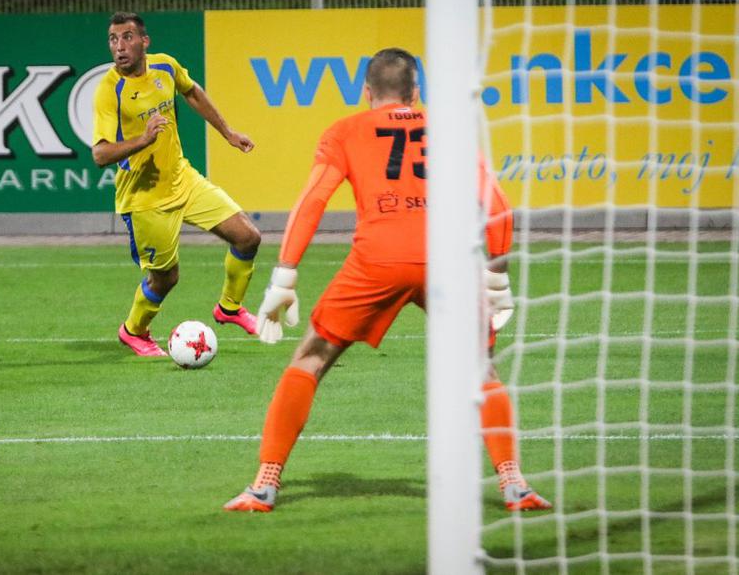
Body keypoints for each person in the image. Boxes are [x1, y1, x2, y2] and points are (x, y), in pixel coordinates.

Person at [223, 47, 551, 513]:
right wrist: (496, 278)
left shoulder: (344, 131)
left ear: (366, 92)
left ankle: (264, 484)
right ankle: (514, 483)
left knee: (311, 357)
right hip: (447, 261)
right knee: (482, 368)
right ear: (416, 92)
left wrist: (284, 276)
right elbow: (497, 205)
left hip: (377, 260)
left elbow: (312, 200)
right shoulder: (451, 127)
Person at [92, 12, 262, 356]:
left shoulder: (165, 67)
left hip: (182, 179)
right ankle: (133, 331)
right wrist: (143, 140)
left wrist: (228, 133)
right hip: (144, 198)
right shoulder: (110, 91)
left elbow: (192, 91)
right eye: (113, 39)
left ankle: (229, 308)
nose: (119, 46)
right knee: (166, 278)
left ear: (144, 42)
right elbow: (100, 154)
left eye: (127, 37)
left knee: (248, 237)